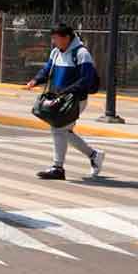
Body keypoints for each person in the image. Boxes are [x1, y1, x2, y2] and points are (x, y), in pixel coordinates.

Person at [25, 24, 104, 180]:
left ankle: (58, 167)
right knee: (63, 131)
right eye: (53, 38)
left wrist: (68, 91)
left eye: (56, 38)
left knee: (58, 129)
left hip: (75, 100)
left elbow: (86, 79)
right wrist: (35, 80)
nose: (54, 41)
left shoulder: (81, 54)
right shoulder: (55, 53)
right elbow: (47, 70)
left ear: (67, 37)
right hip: (58, 99)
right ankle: (94, 155)